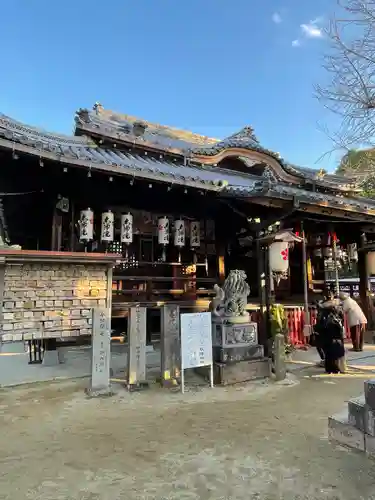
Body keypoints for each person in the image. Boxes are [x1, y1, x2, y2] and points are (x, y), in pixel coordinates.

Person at [314, 291, 346, 374]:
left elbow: (319, 323)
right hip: (334, 332)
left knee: (329, 351)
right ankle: (336, 368)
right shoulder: (337, 306)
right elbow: (341, 319)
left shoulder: (322, 309)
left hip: (327, 332)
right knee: (335, 351)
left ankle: (331, 368)